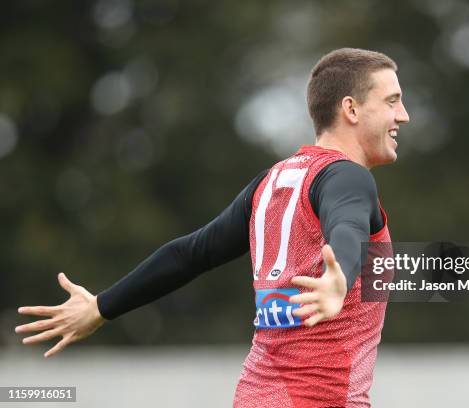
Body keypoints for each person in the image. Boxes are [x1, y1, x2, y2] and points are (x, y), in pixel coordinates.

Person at [15, 47, 409, 407]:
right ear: (351, 110)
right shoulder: (349, 178)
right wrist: (340, 276)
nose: (402, 115)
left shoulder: (272, 182)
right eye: (392, 101)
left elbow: (189, 254)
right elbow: (348, 225)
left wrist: (101, 307)